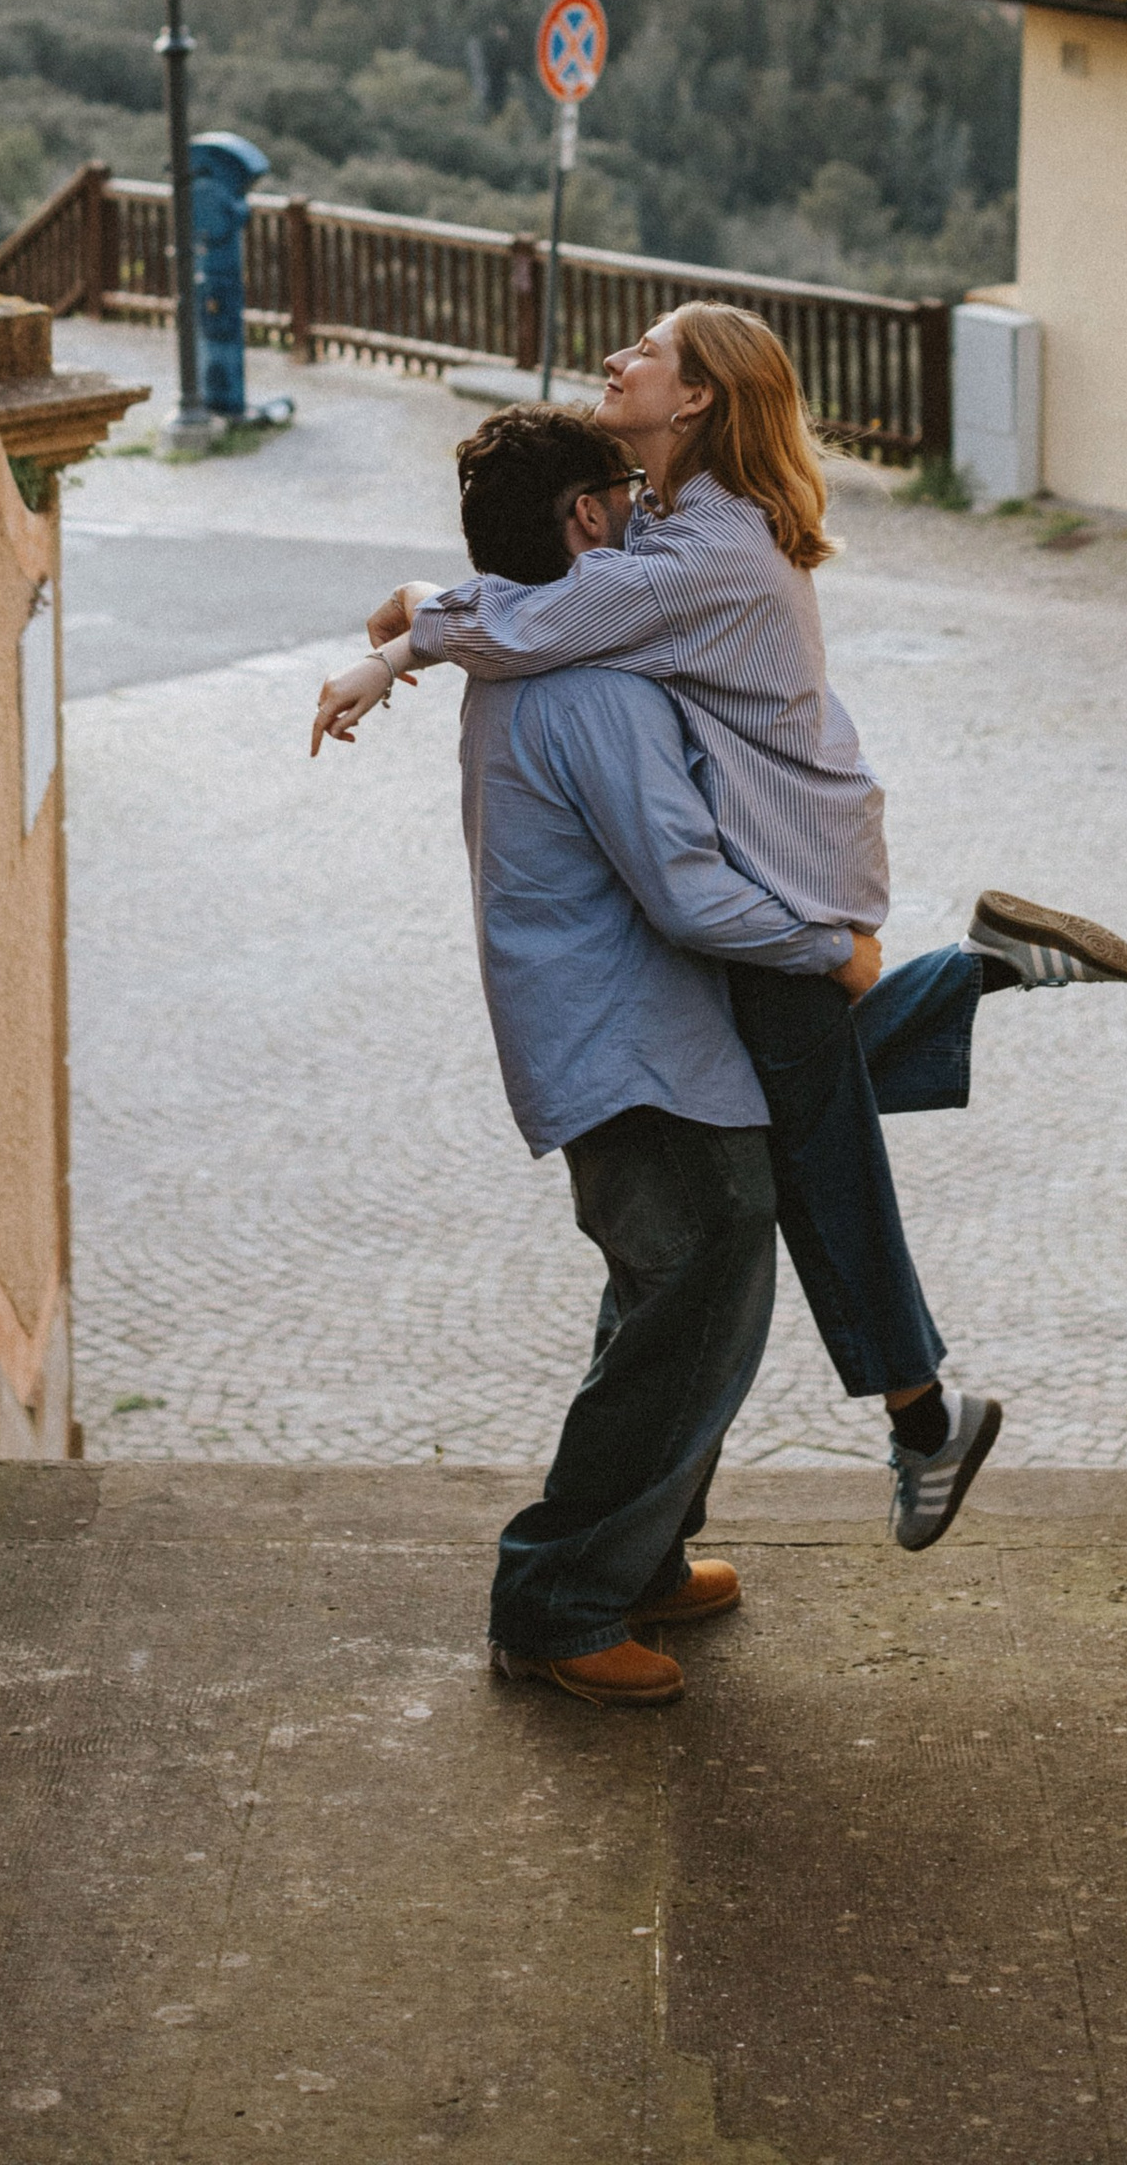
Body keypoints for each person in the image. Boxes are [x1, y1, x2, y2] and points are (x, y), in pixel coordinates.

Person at [313, 311, 1127, 1549]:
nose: (614, 361)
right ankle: (978, 980)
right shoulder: (673, 523)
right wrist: (412, 627)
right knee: (803, 1113)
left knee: (815, 1149)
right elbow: (551, 590)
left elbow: (536, 623)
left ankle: (926, 1425)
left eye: (643, 354)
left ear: (698, 402)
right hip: (785, 856)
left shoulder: (713, 551)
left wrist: (402, 638)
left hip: (780, 876)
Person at [426, 409, 875, 1709]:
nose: (642, 516)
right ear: (583, 518)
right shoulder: (592, 686)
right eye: (626, 495)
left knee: (662, 1295)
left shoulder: (525, 654)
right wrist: (828, 943)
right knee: (700, 1288)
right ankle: (558, 1600)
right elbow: (684, 890)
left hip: (622, 1045)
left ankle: (640, 1554)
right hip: (634, 1052)